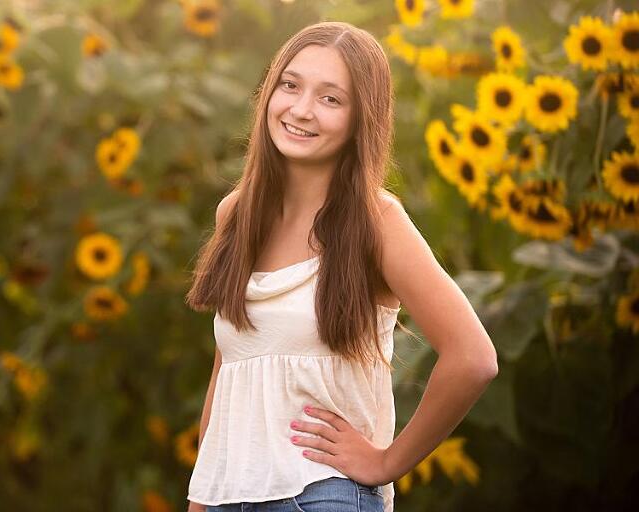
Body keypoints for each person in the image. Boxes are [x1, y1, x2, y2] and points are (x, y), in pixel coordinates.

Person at [184, 20, 498, 512]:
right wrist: (203, 496)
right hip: (229, 498)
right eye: (291, 85)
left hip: (320, 496)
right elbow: (231, 367)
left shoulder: (377, 220)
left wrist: (386, 463)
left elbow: (473, 358)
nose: (301, 110)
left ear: (359, 120)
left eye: (331, 99)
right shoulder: (237, 214)